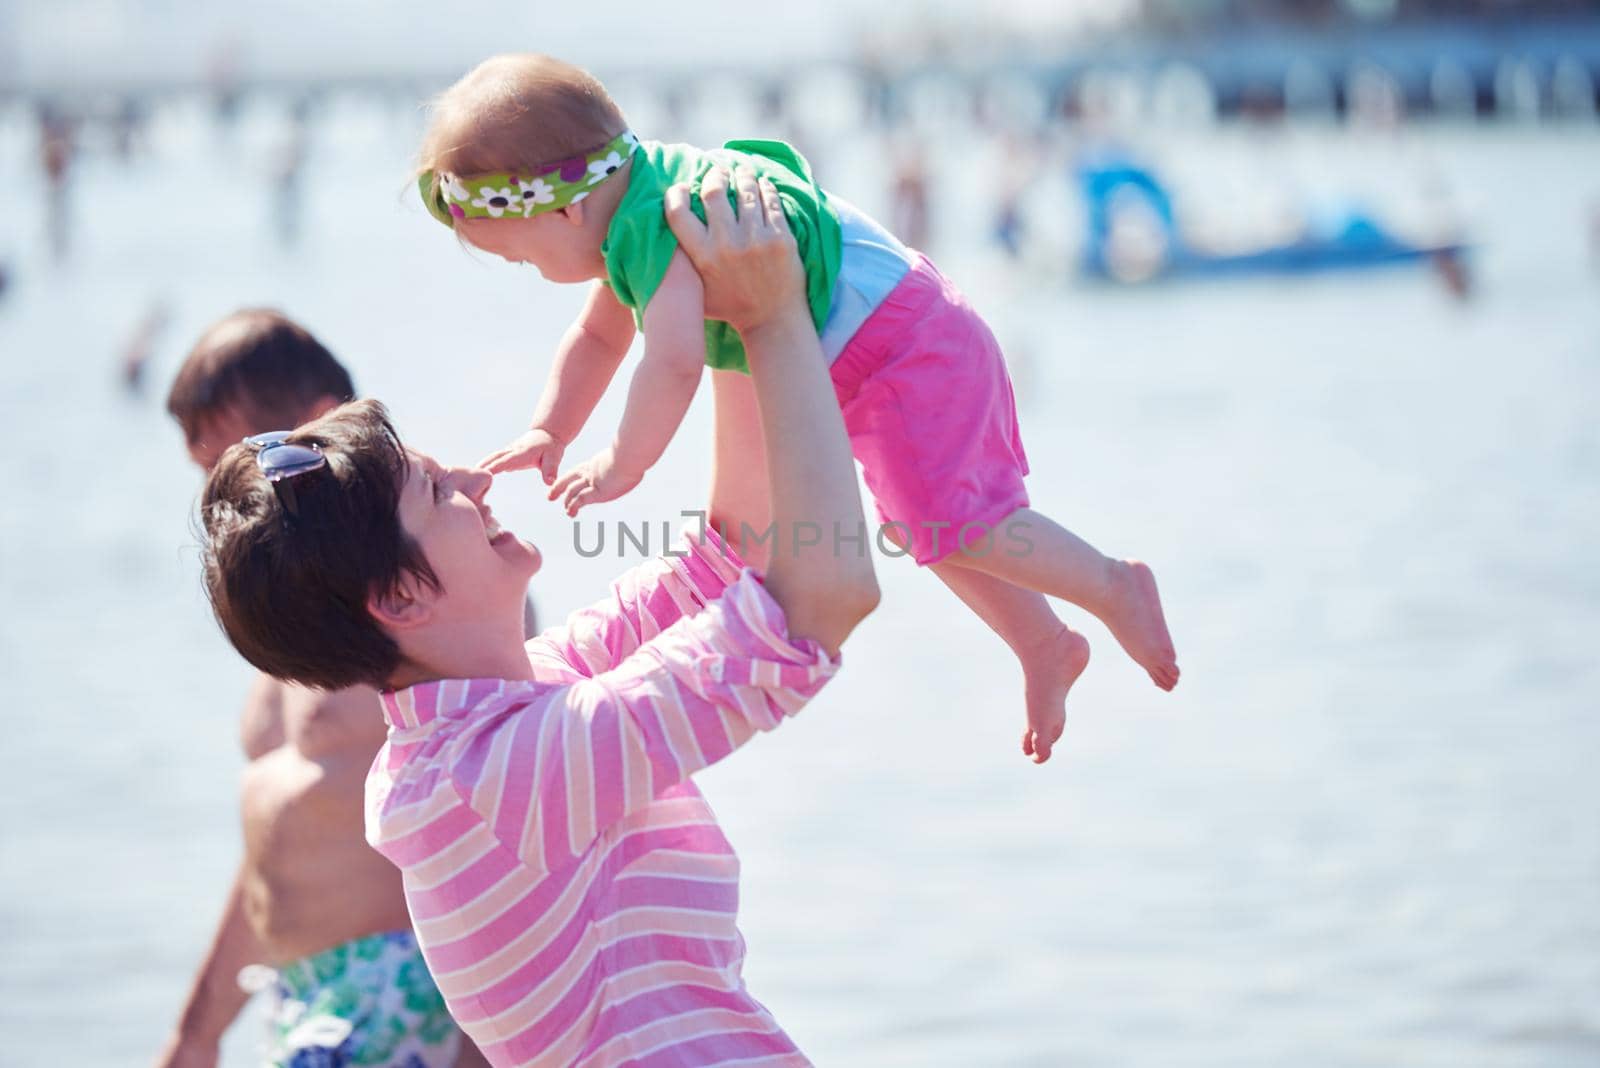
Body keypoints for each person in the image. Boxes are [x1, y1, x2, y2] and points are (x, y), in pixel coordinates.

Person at [195, 165, 879, 1066]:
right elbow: (820, 603)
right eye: (438, 492)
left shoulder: (505, 708)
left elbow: (728, 556)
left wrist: (718, 305)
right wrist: (776, 317)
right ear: (401, 595)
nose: (477, 484)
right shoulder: (487, 775)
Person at [416, 53, 1179, 765]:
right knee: (925, 524)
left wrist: (626, 460)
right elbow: (596, 336)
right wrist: (551, 427)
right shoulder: (636, 203)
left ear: (563, 213)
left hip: (908, 345)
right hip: (883, 348)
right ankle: (1043, 643)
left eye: (520, 257)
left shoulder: (658, 225)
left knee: (959, 521)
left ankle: (1111, 584)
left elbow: (674, 358)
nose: (529, 272)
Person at [160, 310, 488, 1068]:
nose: (229, 503)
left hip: (409, 983)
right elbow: (279, 839)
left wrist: (483, 1042)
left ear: (319, 425)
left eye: (240, 463)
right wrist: (199, 1030)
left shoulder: (421, 584)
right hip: (304, 994)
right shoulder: (296, 622)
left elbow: (501, 806)